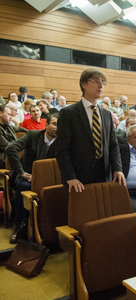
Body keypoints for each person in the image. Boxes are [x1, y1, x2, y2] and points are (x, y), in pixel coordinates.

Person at [55, 67, 125, 193]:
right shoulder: (69, 113)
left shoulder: (107, 114)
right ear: (84, 85)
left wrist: (117, 169)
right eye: (96, 81)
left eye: (103, 82)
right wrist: (70, 177)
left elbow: (113, 145)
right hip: (78, 177)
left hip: (104, 173)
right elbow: (62, 149)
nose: (101, 86)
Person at [6, 114, 58, 244]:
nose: (58, 128)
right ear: (46, 125)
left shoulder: (62, 141)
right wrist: (21, 171)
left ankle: (48, 229)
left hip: (47, 178)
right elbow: (10, 148)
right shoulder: (33, 135)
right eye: (55, 124)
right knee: (23, 187)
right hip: (27, 175)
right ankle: (18, 226)